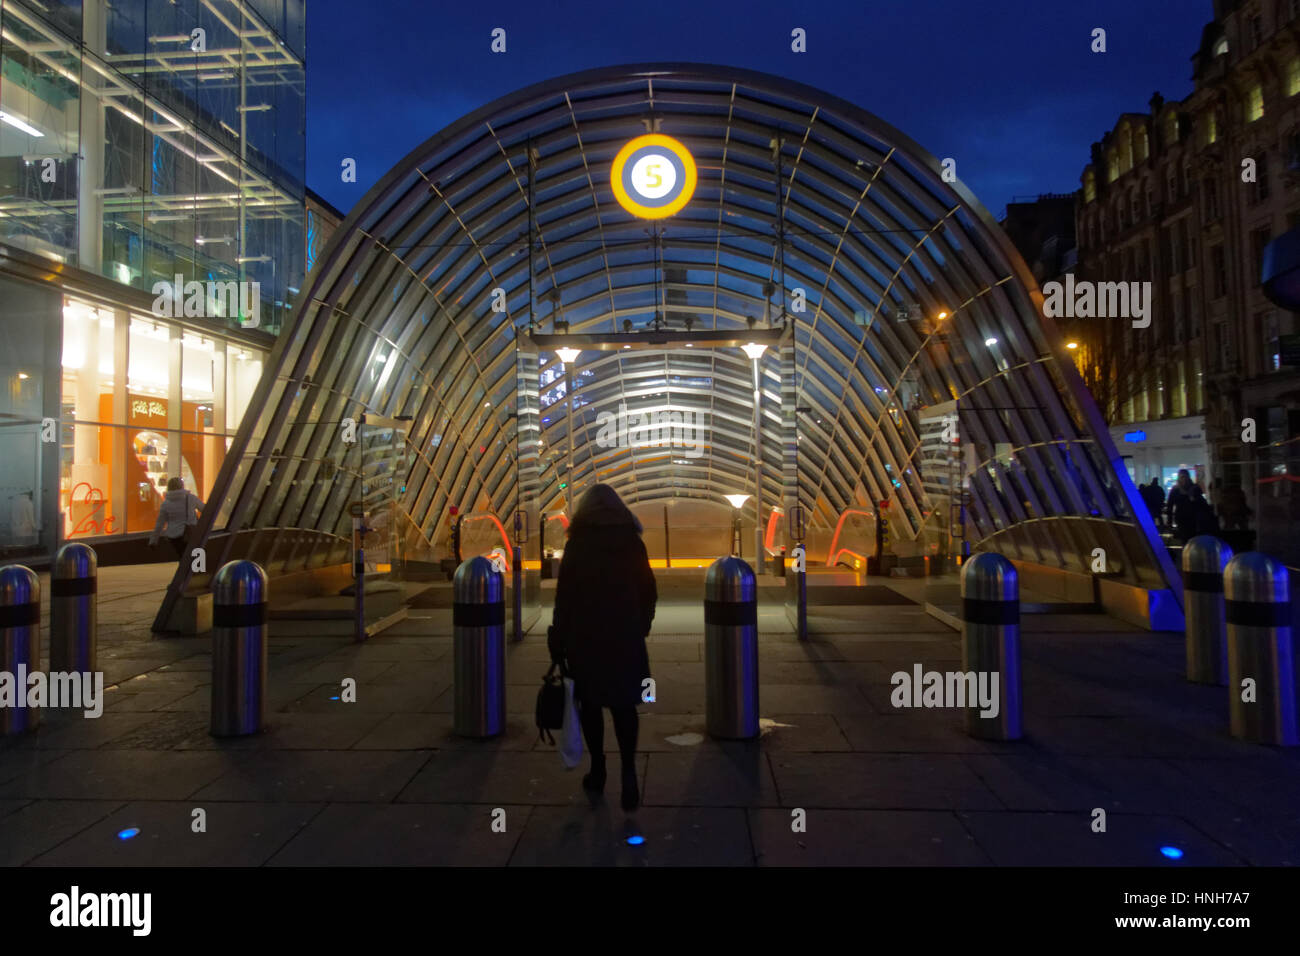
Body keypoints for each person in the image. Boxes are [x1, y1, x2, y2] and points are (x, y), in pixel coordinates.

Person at [548, 484, 656, 812]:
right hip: (624, 636)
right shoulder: (632, 544)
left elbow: (564, 598)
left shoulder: (578, 546)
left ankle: (598, 768)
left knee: (590, 705)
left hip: (586, 639)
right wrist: (641, 626)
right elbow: (648, 589)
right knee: (625, 707)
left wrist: (560, 637)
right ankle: (628, 769)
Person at [149, 477, 204, 561]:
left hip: (173, 536)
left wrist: (153, 540)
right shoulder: (191, 498)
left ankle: (184, 571)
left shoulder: (166, 504)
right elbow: (204, 509)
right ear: (182, 486)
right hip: (189, 533)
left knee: (182, 557)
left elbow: (159, 524)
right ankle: (191, 572)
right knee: (192, 558)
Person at [1165, 469, 1203, 544]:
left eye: (1185, 477)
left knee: (1193, 540)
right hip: (1182, 519)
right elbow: (1170, 506)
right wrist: (1169, 521)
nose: (1184, 480)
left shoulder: (1194, 488)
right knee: (1186, 540)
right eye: (1182, 477)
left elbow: (1200, 504)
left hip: (1193, 518)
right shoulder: (1175, 490)